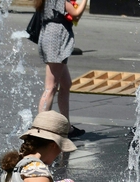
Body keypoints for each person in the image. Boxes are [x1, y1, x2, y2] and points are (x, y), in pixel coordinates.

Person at [36, 0, 87, 138]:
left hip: (51, 34)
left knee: (66, 84)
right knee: (50, 87)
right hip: (56, 38)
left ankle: (66, 127)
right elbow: (75, 14)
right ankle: (40, 129)